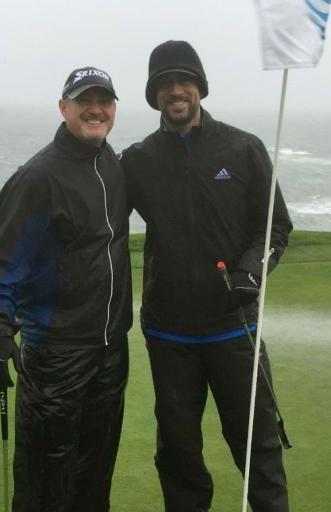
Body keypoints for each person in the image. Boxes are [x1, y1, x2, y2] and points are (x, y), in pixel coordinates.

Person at [121, 41, 293, 512]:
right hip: (168, 329)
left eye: (184, 82)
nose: (175, 91)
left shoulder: (242, 148)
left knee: (256, 445)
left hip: (234, 326)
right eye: (164, 84)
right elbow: (102, 222)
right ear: (154, 95)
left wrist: (250, 273)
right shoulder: (137, 160)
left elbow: (276, 226)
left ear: (199, 88)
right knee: (177, 452)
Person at [0, 66, 132, 512]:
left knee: (95, 475)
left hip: (111, 349)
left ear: (114, 109)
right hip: (57, 352)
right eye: (84, 101)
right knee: (46, 477)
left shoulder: (112, 164)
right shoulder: (38, 178)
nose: (95, 109)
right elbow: (0, 265)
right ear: (64, 108)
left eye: (104, 101)